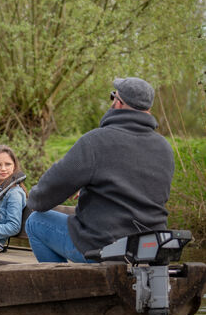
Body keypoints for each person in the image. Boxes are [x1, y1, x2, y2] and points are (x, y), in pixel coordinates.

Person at [25, 77, 175, 263]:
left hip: (104, 248)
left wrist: (33, 197)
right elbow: (136, 189)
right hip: (150, 250)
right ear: (148, 110)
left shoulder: (95, 142)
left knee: (36, 221)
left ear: (118, 103)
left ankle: (59, 287)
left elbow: (44, 196)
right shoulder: (165, 148)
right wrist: (90, 185)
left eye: (113, 96)